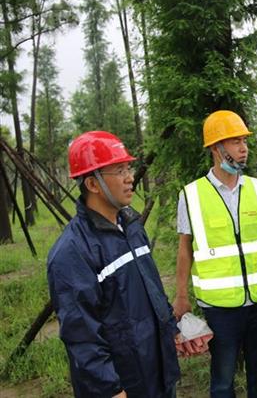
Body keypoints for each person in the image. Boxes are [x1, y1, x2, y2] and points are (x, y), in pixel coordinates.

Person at [47, 131, 180, 398]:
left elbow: (153, 289)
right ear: (93, 185)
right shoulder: (72, 252)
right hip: (122, 382)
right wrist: (110, 389)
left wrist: (171, 332)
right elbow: (81, 335)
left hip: (157, 370)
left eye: (128, 167)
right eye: (119, 170)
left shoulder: (131, 226)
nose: (130, 177)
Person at [173, 110, 257, 398]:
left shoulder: (255, 187)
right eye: (235, 142)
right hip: (220, 308)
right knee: (223, 377)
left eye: (245, 142)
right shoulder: (191, 195)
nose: (243, 148)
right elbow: (185, 249)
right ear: (216, 148)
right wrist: (181, 296)